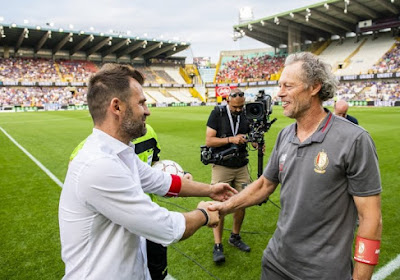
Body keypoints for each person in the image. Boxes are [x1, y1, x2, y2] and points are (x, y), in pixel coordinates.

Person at [209, 52, 382, 279]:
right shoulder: (285, 135)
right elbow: (263, 186)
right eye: (280, 85)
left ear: (314, 87)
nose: (279, 93)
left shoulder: (354, 139)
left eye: (288, 86)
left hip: (323, 273)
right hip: (275, 263)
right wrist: (225, 207)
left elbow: (371, 218)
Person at [59, 63, 237, 280]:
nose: (148, 110)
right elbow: (165, 228)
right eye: (141, 103)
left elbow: (162, 181)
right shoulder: (99, 165)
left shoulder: (119, 153)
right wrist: (203, 215)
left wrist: (210, 190)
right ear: (117, 107)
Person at [205, 88, 252, 264]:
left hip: (241, 165)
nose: (239, 110)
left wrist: (254, 140)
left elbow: (249, 135)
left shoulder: (245, 113)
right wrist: (231, 139)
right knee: (219, 205)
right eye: (235, 107)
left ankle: (235, 236)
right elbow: (209, 140)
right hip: (222, 165)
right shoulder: (217, 113)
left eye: (241, 107)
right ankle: (218, 245)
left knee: (242, 203)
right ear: (227, 101)